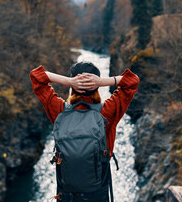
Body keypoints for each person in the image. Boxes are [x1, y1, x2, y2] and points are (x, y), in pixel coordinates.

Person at [30, 61, 139, 202]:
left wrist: (69, 81)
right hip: (97, 194)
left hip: (66, 195)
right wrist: (103, 81)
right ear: (97, 86)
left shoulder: (60, 111)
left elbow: (36, 77)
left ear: (73, 86)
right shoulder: (107, 113)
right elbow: (132, 81)